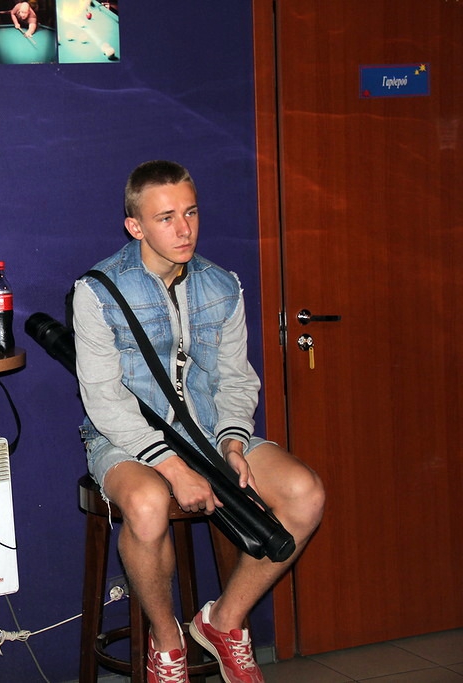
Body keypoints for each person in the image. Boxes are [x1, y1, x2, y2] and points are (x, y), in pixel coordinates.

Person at [72, 160, 325, 683]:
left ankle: (223, 622)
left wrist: (232, 443)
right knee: (147, 505)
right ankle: (168, 643)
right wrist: (170, 465)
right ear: (135, 226)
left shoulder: (222, 286)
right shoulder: (97, 291)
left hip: (209, 431)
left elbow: (236, 380)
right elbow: (103, 400)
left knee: (306, 494)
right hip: (124, 436)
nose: (184, 229)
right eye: (165, 218)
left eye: (190, 212)